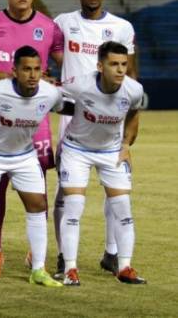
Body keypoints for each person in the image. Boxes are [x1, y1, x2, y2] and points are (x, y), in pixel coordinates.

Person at [0, 0, 64, 279]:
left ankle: (34, 254)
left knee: (36, 189)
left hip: (35, 121)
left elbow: (63, 67)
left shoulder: (49, 28)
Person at [53, 0, 137, 278]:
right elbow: (48, 47)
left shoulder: (121, 27)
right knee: (67, 191)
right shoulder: (63, 22)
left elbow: (132, 75)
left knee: (115, 191)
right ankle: (65, 257)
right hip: (72, 116)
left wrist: (128, 135)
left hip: (111, 118)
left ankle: (113, 253)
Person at [0, 46, 63, 289]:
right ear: (14, 71)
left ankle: (38, 269)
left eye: (36, 69)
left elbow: (69, 107)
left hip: (23, 155)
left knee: (38, 205)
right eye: (26, 69)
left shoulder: (50, 94)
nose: (32, 75)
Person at [58, 41, 145, 286]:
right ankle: (70, 269)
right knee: (73, 209)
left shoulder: (133, 89)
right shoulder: (79, 85)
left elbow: (134, 114)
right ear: (100, 65)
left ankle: (125, 267)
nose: (120, 70)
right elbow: (56, 101)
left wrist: (127, 145)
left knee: (124, 211)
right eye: (114, 64)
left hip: (111, 153)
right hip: (76, 150)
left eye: (123, 64)